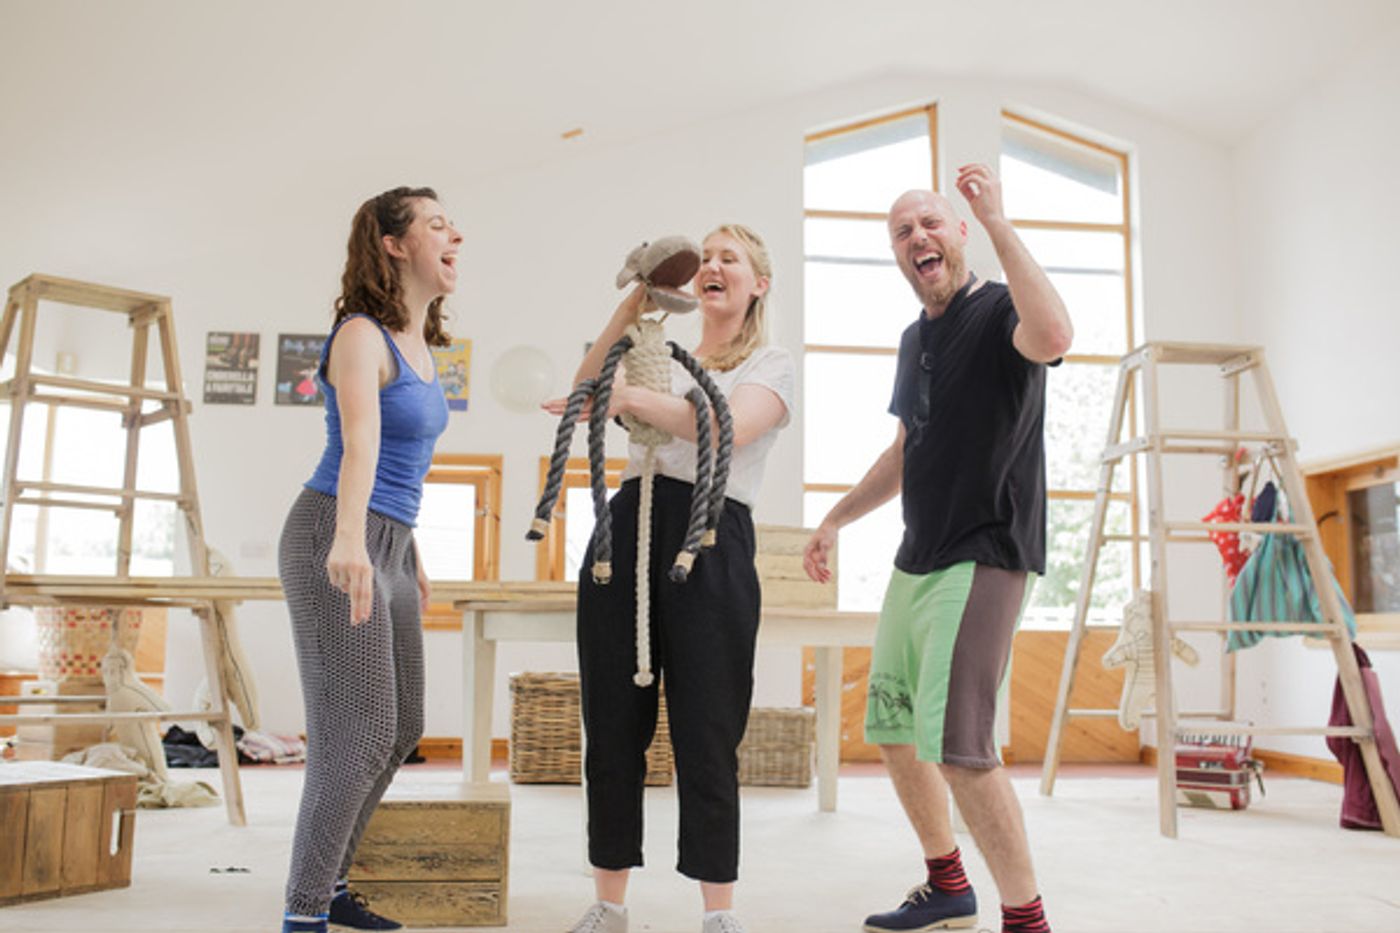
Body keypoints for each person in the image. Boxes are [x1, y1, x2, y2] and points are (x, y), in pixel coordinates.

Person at [803, 164, 1072, 933]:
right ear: (897, 254)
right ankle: (948, 884)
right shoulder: (914, 339)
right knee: (890, 728)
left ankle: (1027, 920)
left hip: (984, 553)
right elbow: (906, 450)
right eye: (901, 230)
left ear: (956, 234)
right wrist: (836, 519)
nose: (917, 235)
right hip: (916, 557)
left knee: (959, 747)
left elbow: (1054, 335)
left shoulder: (999, 312)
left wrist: (997, 220)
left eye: (929, 221)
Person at [546, 225, 794, 933]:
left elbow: (723, 429)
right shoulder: (651, 349)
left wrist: (625, 400)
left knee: (708, 730)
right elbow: (585, 388)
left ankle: (718, 913)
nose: (713, 266)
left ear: (757, 284)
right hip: (628, 526)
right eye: (706, 257)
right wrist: (637, 300)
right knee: (613, 727)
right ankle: (609, 903)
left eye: (731, 259)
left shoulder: (770, 364)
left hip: (711, 536)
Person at [278, 186, 460, 933]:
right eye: (437, 224)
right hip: (333, 533)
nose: (456, 234)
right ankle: (303, 911)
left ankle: (333, 882)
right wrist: (351, 541)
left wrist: (405, 547)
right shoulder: (360, 334)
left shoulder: (419, 342)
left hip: (387, 541)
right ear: (393, 244)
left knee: (402, 723)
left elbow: (403, 464)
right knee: (355, 732)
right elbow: (360, 445)